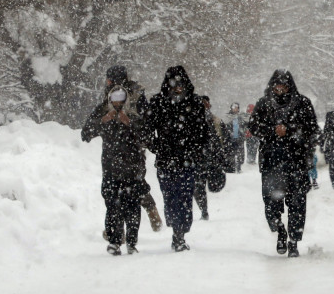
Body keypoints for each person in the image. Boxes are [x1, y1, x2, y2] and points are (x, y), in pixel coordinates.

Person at [81, 65, 154, 255]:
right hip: (111, 165)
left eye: (109, 80)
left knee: (131, 203)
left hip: (133, 163)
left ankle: (131, 241)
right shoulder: (105, 105)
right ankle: (114, 240)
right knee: (112, 203)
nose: (116, 99)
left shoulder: (137, 100)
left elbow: (148, 133)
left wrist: (130, 122)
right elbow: (86, 133)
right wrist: (103, 120)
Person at [249, 70, 320, 258]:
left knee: (297, 203)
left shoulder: (302, 103)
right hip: (272, 162)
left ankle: (294, 241)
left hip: (296, 161)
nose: (280, 90)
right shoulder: (264, 103)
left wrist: (291, 131)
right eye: (277, 87)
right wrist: (272, 131)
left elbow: (312, 129)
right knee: (271, 203)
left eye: (283, 87)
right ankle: (280, 229)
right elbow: (253, 127)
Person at [145, 65, 212, 251]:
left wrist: (196, 150)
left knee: (184, 197)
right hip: (165, 160)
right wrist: (156, 146)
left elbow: (203, 133)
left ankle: (180, 233)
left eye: (181, 83)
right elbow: (147, 131)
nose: (178, 87)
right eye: (174, 83)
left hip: (186, 160)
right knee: (170, 197)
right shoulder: (158, 103)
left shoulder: (195, 103)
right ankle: (176, 229)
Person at [197, 95, 227, 220]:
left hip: (212, 156)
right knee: (199, 185)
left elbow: (224, 138)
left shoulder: (216, 120)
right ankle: (204, 209)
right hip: (199, 157)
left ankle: (204, 209)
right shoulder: (194, 119)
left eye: (206, 103)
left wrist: (222, 154)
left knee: (208, 183)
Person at [224, 102, 248, 172]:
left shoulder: (241, 117)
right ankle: (231, 167)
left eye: (236, 108)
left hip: (239, 138)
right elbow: (225, 127)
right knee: (230, 153)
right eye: (234, 107)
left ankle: (239, 166)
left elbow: (245, 125)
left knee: (240, 153)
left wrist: (242, 131)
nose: (235, 109)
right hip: (230, 138)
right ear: (231, 108)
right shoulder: (227, 117)